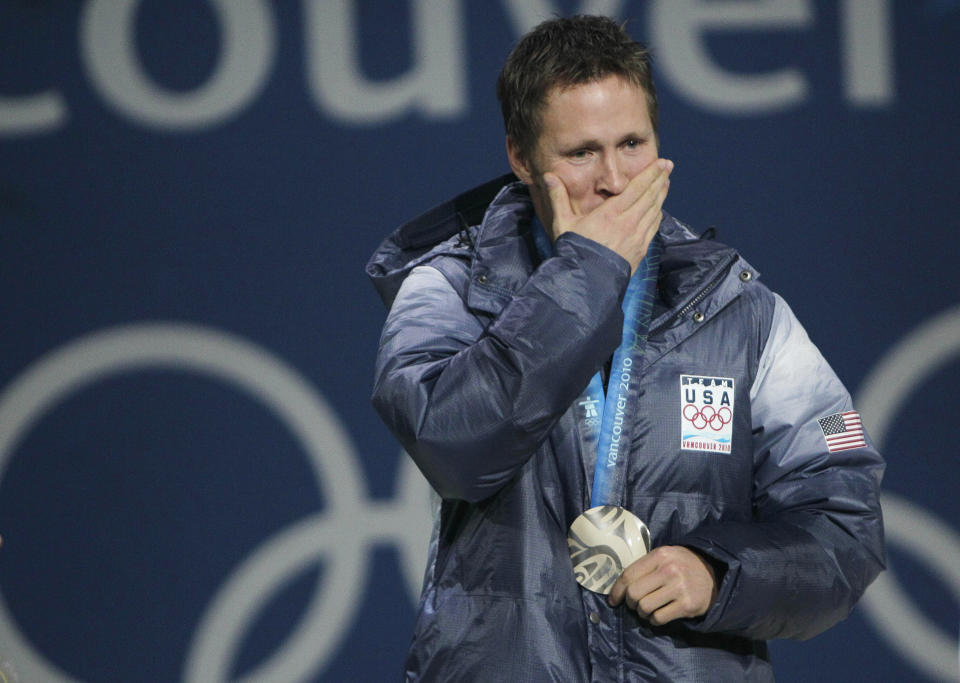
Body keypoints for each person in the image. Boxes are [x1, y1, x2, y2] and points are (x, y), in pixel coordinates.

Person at [366, 14, 884, 682]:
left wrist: (720, 572)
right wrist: (586, 274)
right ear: (522, 158)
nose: (614, 179)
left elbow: (846, 523)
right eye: (582, 152)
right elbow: (454, 446)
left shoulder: (742, 310)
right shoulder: (450, 290)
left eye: (633, 143)